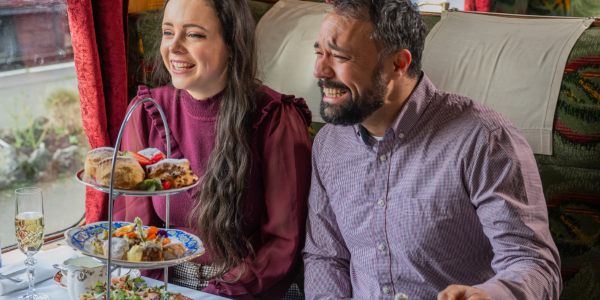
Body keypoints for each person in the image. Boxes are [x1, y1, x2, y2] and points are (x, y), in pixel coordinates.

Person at [302, 0, 562, 299]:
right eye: (319, 52)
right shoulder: (328, 144)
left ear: (398, 64)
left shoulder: (486, 140)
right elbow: (326, 257)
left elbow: (533, 263)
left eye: (338, 56)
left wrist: (492, 295)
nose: (319, 70)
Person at [114, 0, 312, 298]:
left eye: (194, 35)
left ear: (232, 44)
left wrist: (210, 295)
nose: (175, 47)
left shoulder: (275, 119)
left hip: (246, 290)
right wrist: (157, 290)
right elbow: (136, 229)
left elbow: (284, 243)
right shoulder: (145, 113)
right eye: (169, 32)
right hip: (165, 286)